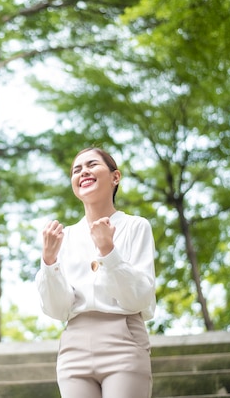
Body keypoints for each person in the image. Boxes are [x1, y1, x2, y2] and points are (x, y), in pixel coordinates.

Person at [35, 147, 156, 398]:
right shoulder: (62, 237)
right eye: (76, 169)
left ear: (115, 177)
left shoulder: (136, 227)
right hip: (74, 347)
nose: (83, 172)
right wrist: (49, 262)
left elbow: (140, 298)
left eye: (92, 165)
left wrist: (108, 251)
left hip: (124, 341)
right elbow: (58, 309)